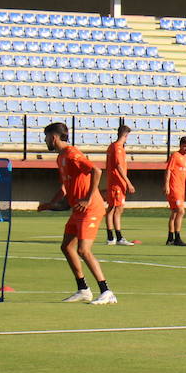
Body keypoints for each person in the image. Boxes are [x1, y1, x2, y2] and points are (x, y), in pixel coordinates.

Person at [38, 122, 117, 304]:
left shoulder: (73, 154)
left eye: (46, 137)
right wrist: (50, 204)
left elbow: (96, 170)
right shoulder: (61, 158)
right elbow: (66, 187)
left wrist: (89, 198)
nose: (45, 141)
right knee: (66, 247)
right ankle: (83, 289)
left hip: (90, 208)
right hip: (77, 210)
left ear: (54, 137)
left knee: (83, 250)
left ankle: (106, 291)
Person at [103, 124, 137, 246]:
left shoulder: (111, 146)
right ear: (126, 136)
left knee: (112, 209)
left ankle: (111, 237)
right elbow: (118, 166)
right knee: (116, 209)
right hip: (117, 183)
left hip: (113, 182)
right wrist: (128, 183)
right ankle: (118, 237)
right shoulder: (118, 148)